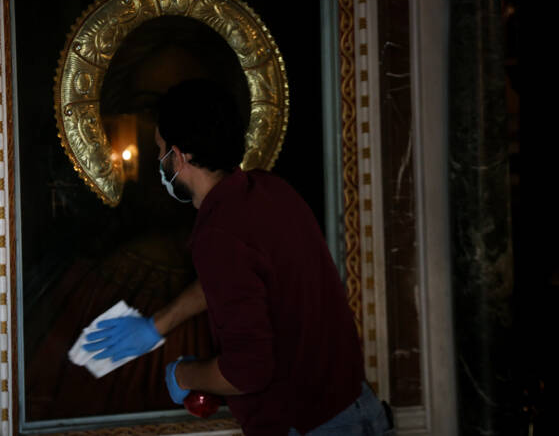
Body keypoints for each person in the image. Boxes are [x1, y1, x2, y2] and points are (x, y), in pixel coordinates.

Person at [83, 79, 393, 435]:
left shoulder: (219, 234)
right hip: (358, 408)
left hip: (314, 425)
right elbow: (235, 281)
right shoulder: (269, 190)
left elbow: (247, 372)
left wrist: (184, 375)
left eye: (160, 149)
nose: (158, 159)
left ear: (178, 157)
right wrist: (157, 325)